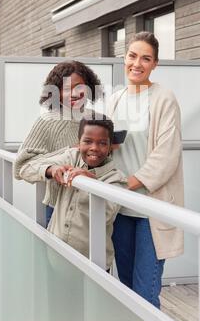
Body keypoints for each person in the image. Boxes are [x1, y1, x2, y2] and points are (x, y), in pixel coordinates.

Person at [107, 31, 184, 309]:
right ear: (124, 58)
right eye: (132, 56)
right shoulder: (115, 99)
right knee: (125, 290)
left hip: (149, 210)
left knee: (145, 294)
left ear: (155, 64)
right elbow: (103, 145)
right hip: (121, 210)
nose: (137, 63)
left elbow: (167, 154)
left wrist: (129, 183)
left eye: (145, 58)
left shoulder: (164, 98)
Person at [17, 113, 126, 270]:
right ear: (78, 143)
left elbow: (106, 213)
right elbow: (25, 169)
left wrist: (91, 182)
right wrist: (50, 169)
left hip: (93, 266)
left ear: (110, 147)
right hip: (55, 257)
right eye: (87, 141)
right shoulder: (70, 157)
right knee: (54, 294)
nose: (94, 148)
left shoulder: (116, 179)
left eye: (102, 143)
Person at [14, 60, 103, 226]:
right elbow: (21, 166)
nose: (74, 93)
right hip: (59, 209)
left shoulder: (99, 119)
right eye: (67, 88)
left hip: (95, 206)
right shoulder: (47, 121)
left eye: (79, 87)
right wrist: (51, 168)